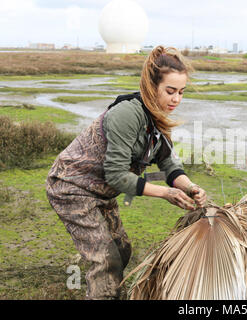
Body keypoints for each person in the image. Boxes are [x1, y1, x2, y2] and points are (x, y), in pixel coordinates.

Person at [46, 46, 207, 300]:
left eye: (181, 92)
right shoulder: (127, 114)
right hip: (72, 188)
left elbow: (169, 165)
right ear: (151, 86)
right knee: (105, 260)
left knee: (121, 251)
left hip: (101, 193)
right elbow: (116, 175)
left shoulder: (159, 121)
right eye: (170, 91)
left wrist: (190, 187)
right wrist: (166, 193)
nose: (176, 99)